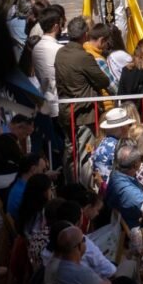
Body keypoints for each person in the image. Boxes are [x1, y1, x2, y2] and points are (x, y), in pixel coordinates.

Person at [55, 17, 112, 183]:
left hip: (67, 111)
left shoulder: (60, 53)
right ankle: (85, 188)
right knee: (85, 153)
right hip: (84, 113)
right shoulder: (83, 57)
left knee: (70, 152)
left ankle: (71, 185)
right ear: (85, 34)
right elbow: (103, 81)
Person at [104, 144, 143, 228]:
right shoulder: (127, 190)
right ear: (135, 165)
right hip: (134, 229)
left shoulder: (117, 174)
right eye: (141, 159)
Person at [93, 108, 137, 188]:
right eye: (128, 125)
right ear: (122, 128)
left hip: (103, 189)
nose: (129, 128)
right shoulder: (119, 148)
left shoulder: (102, 143)